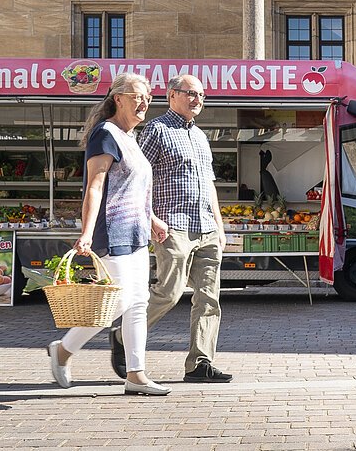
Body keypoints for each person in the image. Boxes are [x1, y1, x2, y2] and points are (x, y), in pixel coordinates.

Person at [46, 73, 171, 396]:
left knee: (138, 303)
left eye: (147, 97)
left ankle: (135, 374)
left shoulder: (131, 137)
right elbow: (95, 185)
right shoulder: (106, 134)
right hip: (112, 232)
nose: (143, 103)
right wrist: (85, 232)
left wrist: (153, 219)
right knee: (117, 302)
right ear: (118, 98)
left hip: (137, 232)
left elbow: (134, 190)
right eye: (137, 96)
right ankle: (63, 350)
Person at [119, 73, 231, 384]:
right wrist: (151, 217)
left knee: (210, 298)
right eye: (192, 93)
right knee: (169, 292)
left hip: (205, 227)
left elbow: (209, 186)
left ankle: (200, 363)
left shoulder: (201, 137)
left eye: (202, 96)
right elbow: (138, 177)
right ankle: (123, 334)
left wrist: (219, 228)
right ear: (172, 95)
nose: (198, 100)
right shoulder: (157, 130)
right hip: (172, 226)